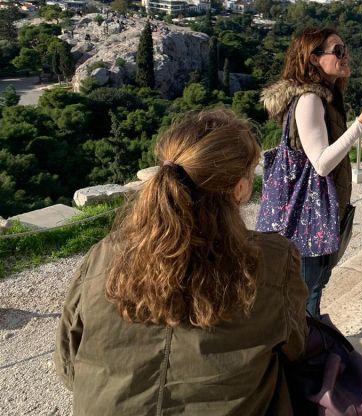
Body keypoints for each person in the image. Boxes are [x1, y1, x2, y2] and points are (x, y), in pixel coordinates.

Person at [55, 109, 309, 416]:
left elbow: (69, 366)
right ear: (240, 189)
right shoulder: (273, 259)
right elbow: (296, 349)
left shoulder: (103, 255)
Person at [258, 27, 362, 317]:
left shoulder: (326, 96)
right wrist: (361, 124)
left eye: (344, 49)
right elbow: (321, 163)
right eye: (337, 51)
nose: (345, 56)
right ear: (314, 59)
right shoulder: (309, 100)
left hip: (321, 213)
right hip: (308, 218)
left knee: (313, 287)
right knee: (307, 295)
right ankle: (307, 353)